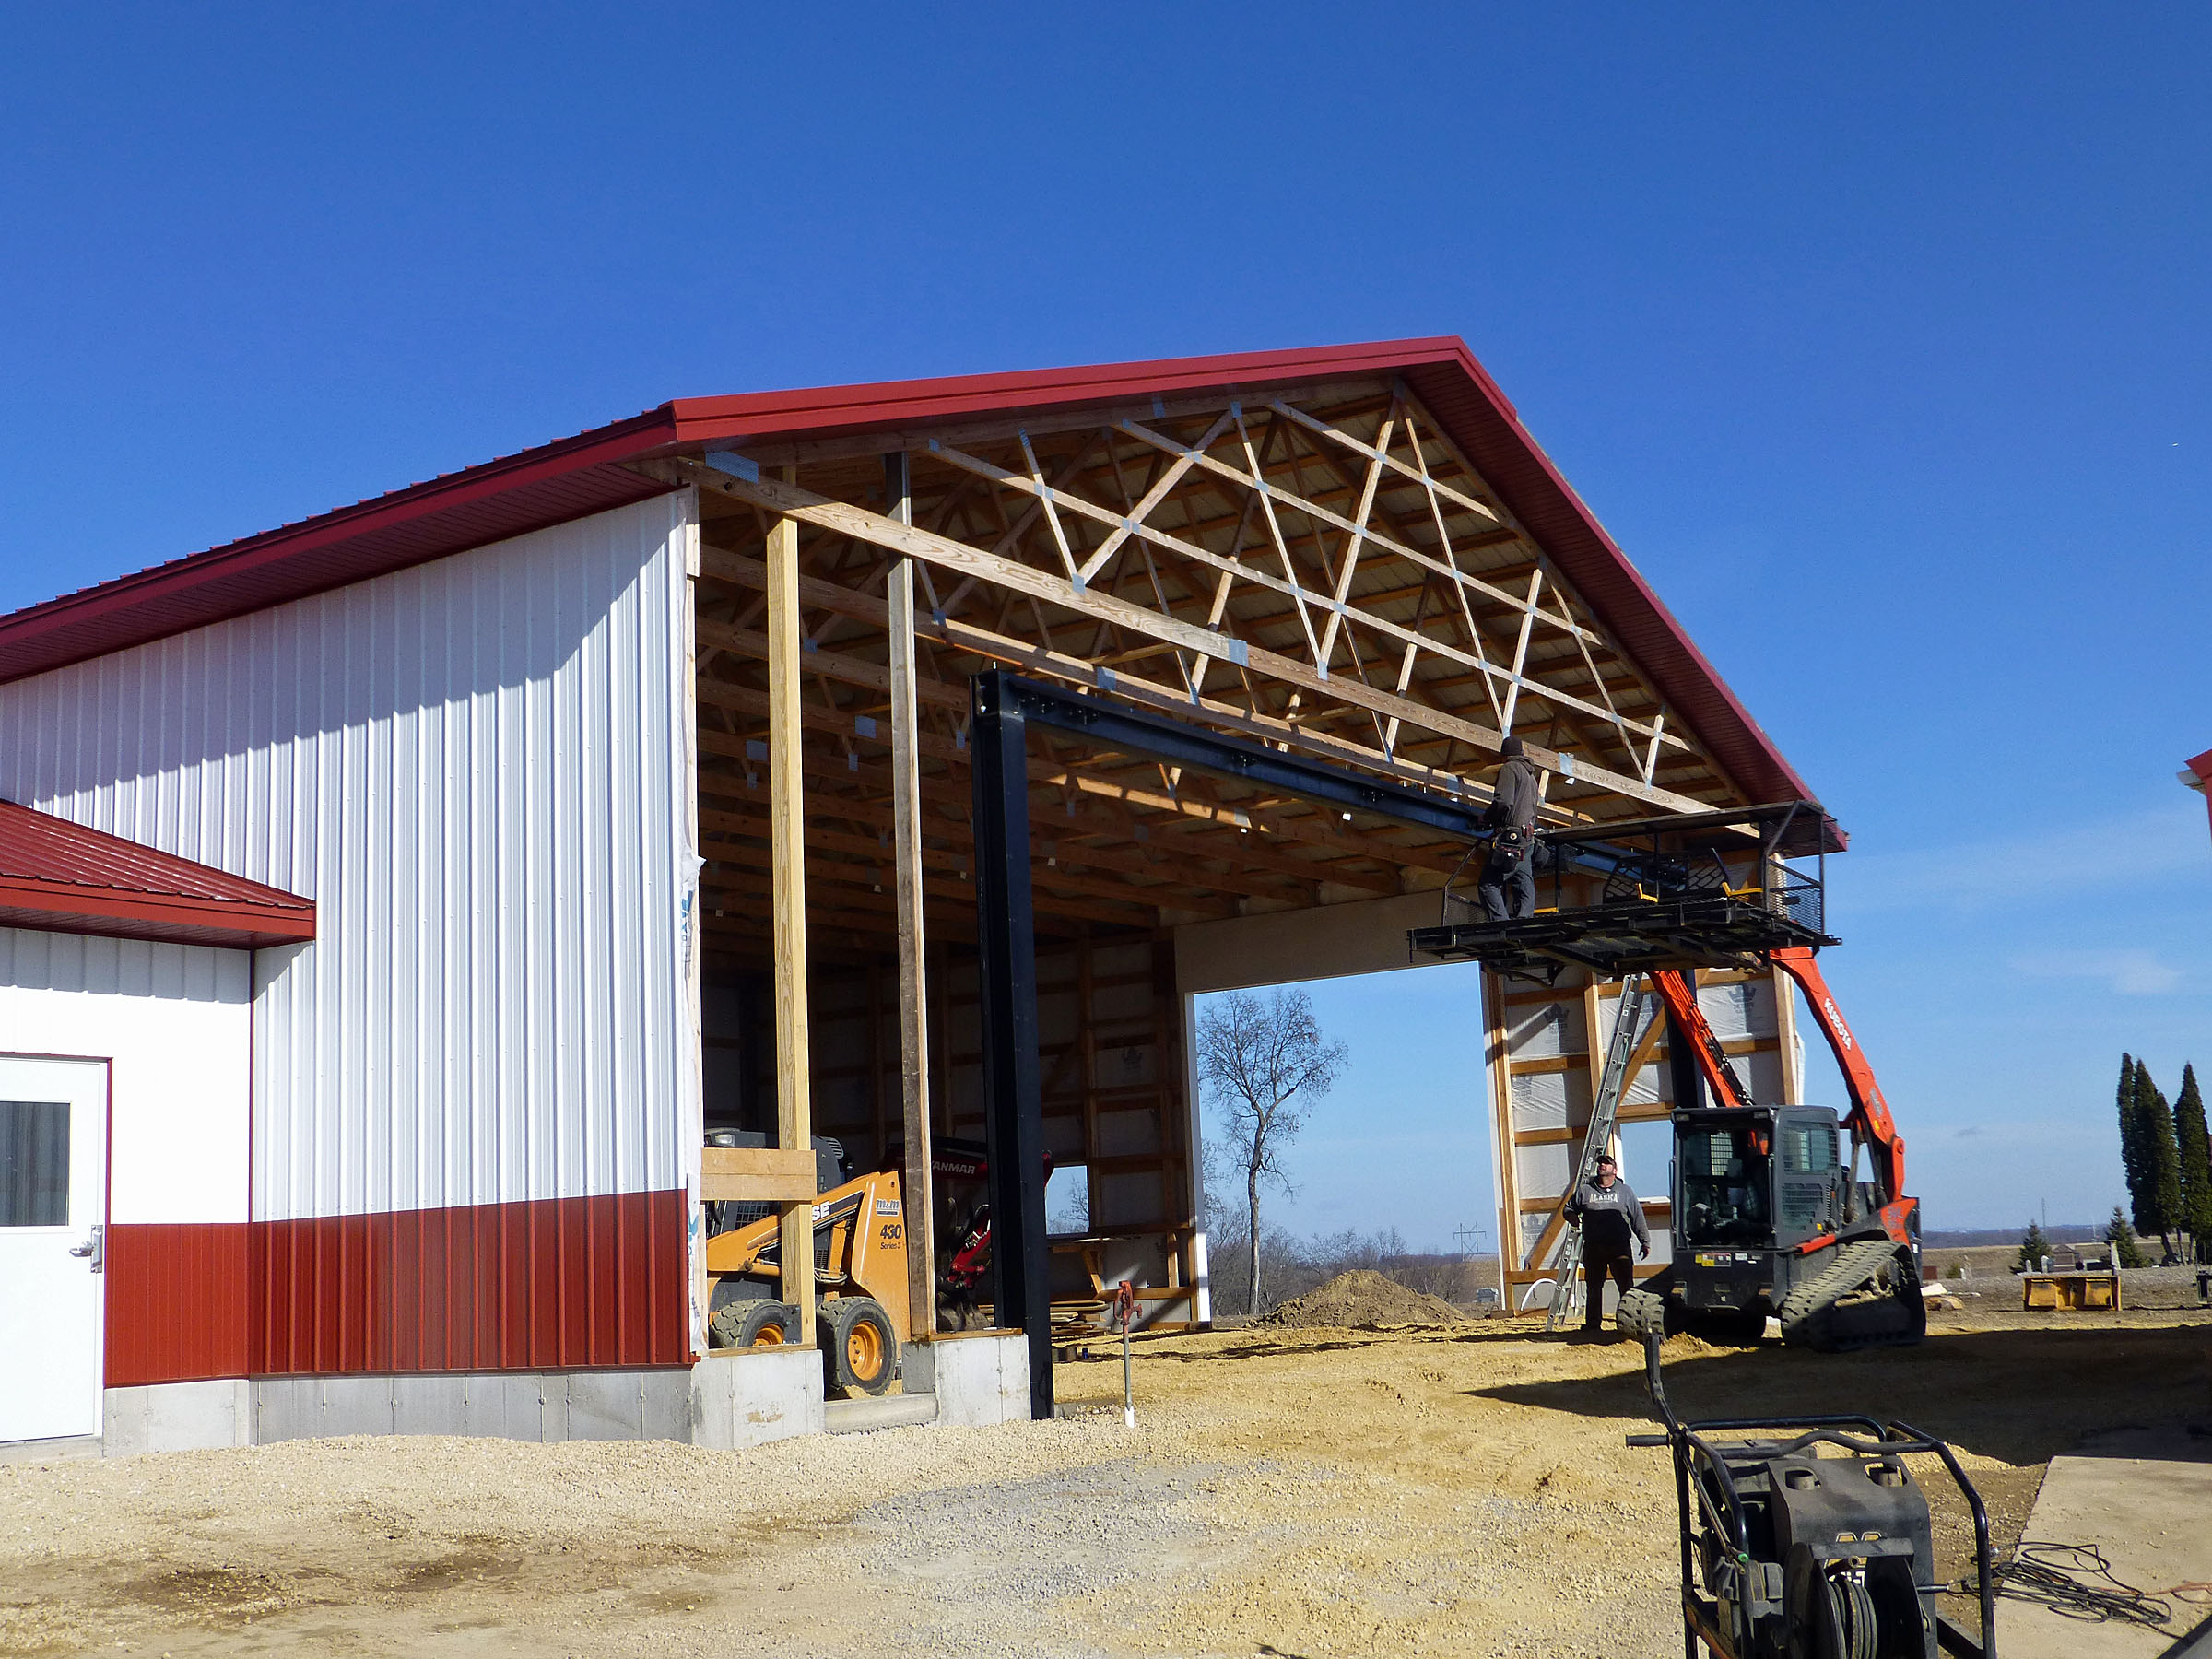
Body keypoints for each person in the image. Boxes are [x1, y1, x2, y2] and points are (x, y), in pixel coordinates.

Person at [1563, 1153, 1650, 1336]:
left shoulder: (1625, 1192)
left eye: (1606, 1163)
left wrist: (1645, 1241)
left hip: (1620, 1247)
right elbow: (1569, 1209)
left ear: (1614, 1170)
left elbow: (1637, 1218)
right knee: (1594, 1286)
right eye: (1600, 1163)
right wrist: (1572, 1218)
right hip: (1594, 1247)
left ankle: (1630, 1324)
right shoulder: (1585, 1191)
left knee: (1626, 1286)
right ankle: (1593, 1325)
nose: (1602, 1165)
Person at [1477, 736, 1540, 920]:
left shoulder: (1509, 769)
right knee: (1523, 879)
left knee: (1488, 884)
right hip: (1527, 838)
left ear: (1504, 755)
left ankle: (1501, 923)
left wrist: (1488, 818)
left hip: (1509, 837)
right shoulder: (1531, 778)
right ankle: (1525, 920)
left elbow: (1503, 802)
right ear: (1521, 753)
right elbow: (1534, 809)